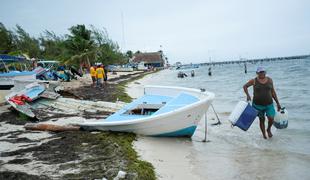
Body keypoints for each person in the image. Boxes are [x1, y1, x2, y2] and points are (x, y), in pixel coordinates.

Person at [243, 67, 281, 139]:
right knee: (262, 120)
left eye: (263, 72)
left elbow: (273, 92)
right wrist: (248, 95)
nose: (262, 73)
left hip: (269, 104)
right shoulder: (254, 81)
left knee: (271, 118)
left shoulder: (270, 80)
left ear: (265, 72)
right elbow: (245, 86)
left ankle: (268, 129)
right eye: (260, 72)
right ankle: (264, 134)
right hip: (257, 105)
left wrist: (278, 103)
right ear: (257, 73)